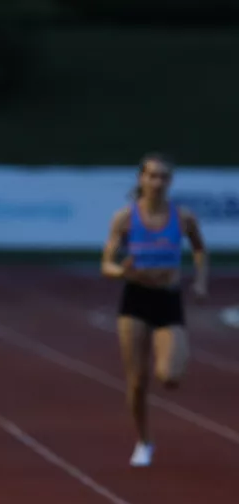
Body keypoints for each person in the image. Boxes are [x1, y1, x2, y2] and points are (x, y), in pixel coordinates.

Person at [100, 152, 207, 468]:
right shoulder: (124, 218)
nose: (157, 182)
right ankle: (144, 441)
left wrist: (200, 282)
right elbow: (106, 262)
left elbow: (200, 250)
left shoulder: (183, 217)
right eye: (151, 175)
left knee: (170, 376)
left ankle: (147, 434)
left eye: (163, 177)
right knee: (137, 380)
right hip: (135, 300)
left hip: (168, 299)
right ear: (141, 179)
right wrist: (122, 272)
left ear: (170, 182)